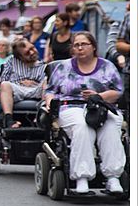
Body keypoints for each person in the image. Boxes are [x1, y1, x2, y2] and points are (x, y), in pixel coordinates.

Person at [43, 31, 124, 194]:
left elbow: (118, 91)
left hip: (101, 106)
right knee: (82, 126)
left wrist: (98, 96)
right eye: (76, 45)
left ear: (93, 47)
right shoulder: (63, 67)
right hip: (70, 106)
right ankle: (82, 177)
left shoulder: (107, 66)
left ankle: (113, 177)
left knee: (109, 127)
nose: (80, 48)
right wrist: (50, 102)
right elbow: (50, 90)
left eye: (84, 44)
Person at [0, 39, 44, 129]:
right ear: (20, 57)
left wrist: (35, 83)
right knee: (5, 85)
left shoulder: (43, 64)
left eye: (32, 48)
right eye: (27, 53)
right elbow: (3, 80)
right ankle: (9, 120)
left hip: (36, 90)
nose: (32, 52)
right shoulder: (12, 61)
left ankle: (39, 118)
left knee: (47, 82)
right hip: (18, 89)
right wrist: (19, 82)